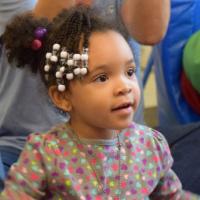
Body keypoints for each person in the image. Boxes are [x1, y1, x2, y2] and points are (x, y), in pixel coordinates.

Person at [0, 6, 199, 199]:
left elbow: (173, 196)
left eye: (129, 72)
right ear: (62, 97)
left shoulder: (150, 145)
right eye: (102, 78)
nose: (125, 86)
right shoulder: (46, 154)